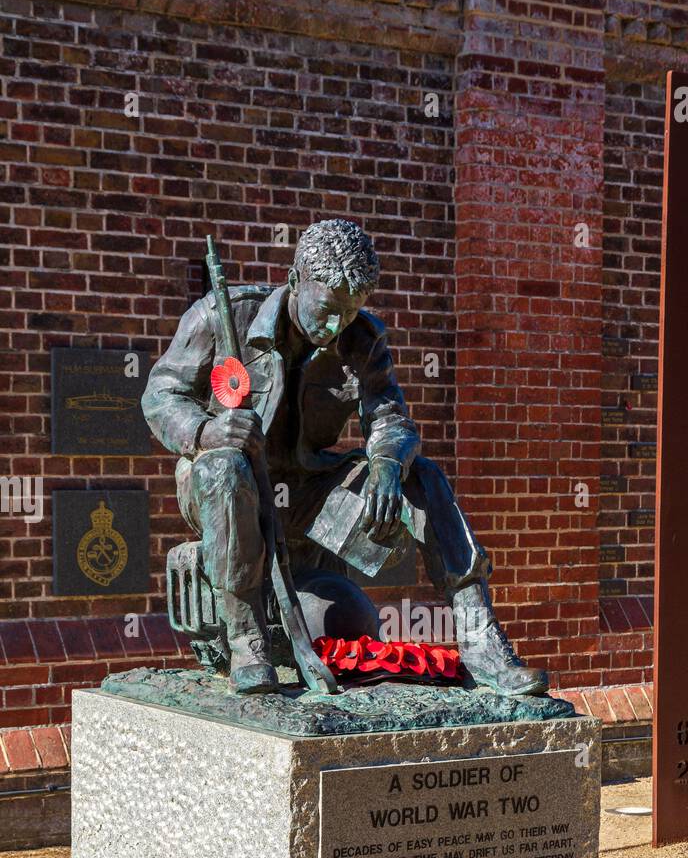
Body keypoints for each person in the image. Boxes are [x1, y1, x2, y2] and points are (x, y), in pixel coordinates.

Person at [142, 218, 548, 697]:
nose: (335, 327)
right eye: (328, 309)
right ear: (295, 282)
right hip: (225, 481)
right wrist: (207, 431)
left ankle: (481, 642)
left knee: (424, 477)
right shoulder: (222, 314)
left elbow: (390, 419)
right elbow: (161, 394)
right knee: (225, 467)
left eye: (350, 314)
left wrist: (386, 466)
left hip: (308, 490)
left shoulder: (363, 338)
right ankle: (246, 638)